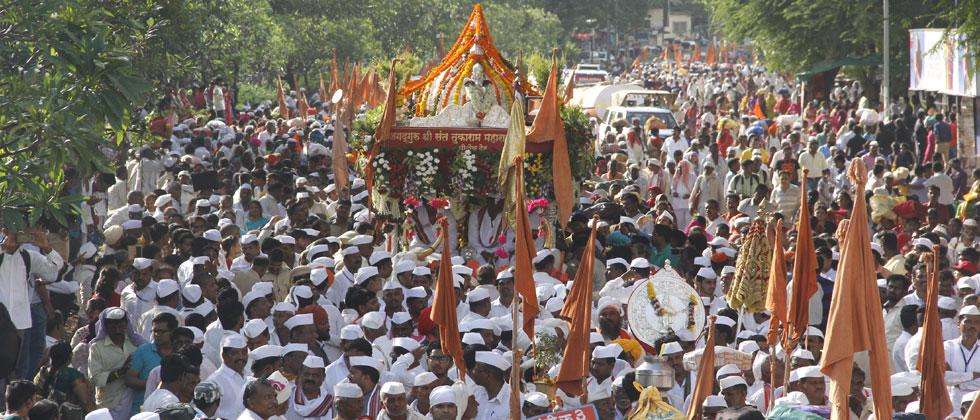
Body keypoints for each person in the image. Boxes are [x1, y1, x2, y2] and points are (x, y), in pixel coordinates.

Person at [87, 307, 144, 419]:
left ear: (126, 324)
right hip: (110, 402)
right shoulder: (96, 348)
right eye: (113, 327)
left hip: (134, 399)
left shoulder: (135, 344)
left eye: (120, 326)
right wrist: (119, 372)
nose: (117, 330)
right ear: (106, 326)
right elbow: (95, 378)